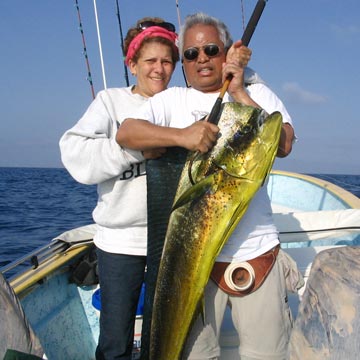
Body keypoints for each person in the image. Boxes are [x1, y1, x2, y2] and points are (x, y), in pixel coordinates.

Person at [116, 12, 303, 360]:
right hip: (193, 267)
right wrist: (182, 135)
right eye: (191, 53)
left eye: (211, 49)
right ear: (183, 62)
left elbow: (284, 143)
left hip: (256, 252)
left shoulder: (257, 92)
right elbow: (126, 132)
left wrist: (238, 91)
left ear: (227, 53)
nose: (201, 58)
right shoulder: (172, 102)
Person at [59, 17, 180, 360]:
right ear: (132, 64)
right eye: (150, 61)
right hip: (119, 242)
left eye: (167, 61)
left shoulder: (182, 104)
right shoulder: (109, 102)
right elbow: (74, 154)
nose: (159, 69)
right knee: (114, 340)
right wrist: (130, 150)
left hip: (170, 241)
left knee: (166, 336)